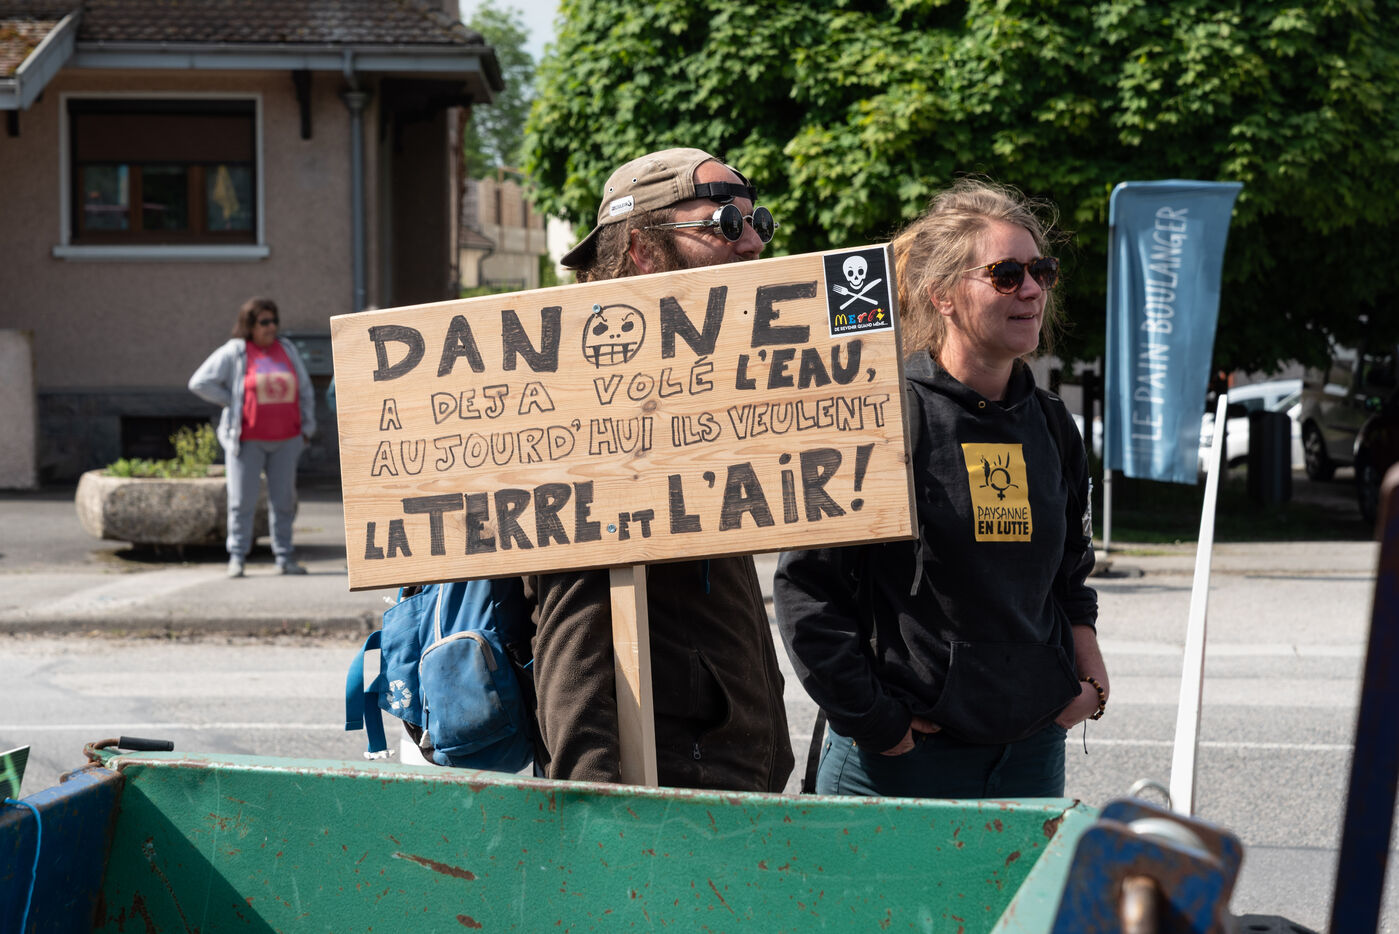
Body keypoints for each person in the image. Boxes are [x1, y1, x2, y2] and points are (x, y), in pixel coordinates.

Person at [774, 179, 1108, 799]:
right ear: (943, 295)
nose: (1032, 289)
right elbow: (808, 589)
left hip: (1031, 754)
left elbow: (1069, 576)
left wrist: (1089, 683)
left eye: (1041, 271)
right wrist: (875, 721)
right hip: (899, 762)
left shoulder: (1052, 423)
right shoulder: (881, 415)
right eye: (1006, 275)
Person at [524, 147, 794, 791]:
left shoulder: (694, 388)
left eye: (759, 221)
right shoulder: (593, 409)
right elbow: (572, 645)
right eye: (726, 223)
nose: (753, 242)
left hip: (736, 773)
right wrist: (597, 817)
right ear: (643, 251)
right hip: (668, 794)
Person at [189, 297, 316, 578]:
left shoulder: (287, 349)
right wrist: (234, 400)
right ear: (249, 325)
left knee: (283, 501)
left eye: (274, 321)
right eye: (264, 322)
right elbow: (199, 382)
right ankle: (237, 557)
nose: (271, 327)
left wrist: (307, 429)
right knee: (241, 501)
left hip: (287, 439)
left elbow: (305, 389)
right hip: (247, 441)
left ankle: (284, 557)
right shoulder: (236, 351)